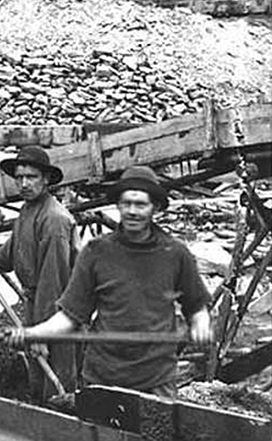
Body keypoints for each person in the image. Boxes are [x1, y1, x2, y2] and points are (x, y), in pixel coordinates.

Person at [11, 165, 212, 397]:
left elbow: (196, 307)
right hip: (104, 375)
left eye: (140, 205)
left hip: (156, 376)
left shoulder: (175, 253)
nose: (132, 212)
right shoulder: (96, 252)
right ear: (117, 205)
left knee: (159, 432)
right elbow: (70, 316)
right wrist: (33, 333)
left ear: (155, 207)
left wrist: (200, 325)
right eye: (126, 204)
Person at [0, 146, 78, 396]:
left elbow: (53, 283)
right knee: (36, 369)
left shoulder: (54, 220)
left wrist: (42, 333)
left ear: (45, 180)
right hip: (36, 304)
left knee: (59, 378)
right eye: (19, 177)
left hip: (60, 312)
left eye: (31, 177)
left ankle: (60, 424)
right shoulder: (28, 209)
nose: (23, 183)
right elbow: (15, 246)